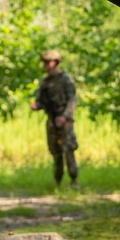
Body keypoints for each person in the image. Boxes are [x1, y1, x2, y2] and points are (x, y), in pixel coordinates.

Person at [30, 49, 79, 188]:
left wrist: (65, 116)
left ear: (54, 63)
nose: (45, 65)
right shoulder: (44, 83)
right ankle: (58, 180)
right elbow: (41, 101)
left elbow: (72, 99)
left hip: (65, 120)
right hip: (52, 119)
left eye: (47, 62)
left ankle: (73, 179)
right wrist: (36, 105)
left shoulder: (65, 79)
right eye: (44, 62)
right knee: (55, 151)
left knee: (68, 149)